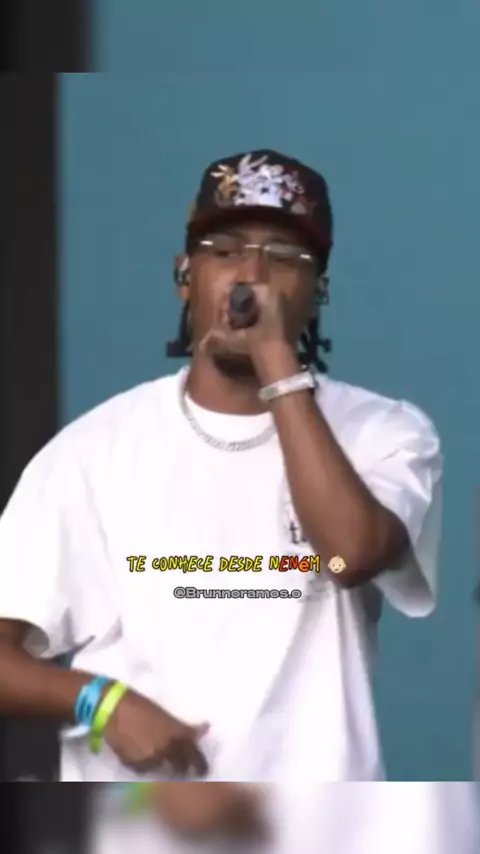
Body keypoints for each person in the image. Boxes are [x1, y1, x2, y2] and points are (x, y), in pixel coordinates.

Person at [0, 149, 442, 793]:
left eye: (284, 257)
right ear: (185, 275)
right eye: (225, 250)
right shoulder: (94, 450)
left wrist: (276, 364)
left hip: (324, 824)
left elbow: (350, 555)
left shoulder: (384, 431)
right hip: (146, 820)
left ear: (318, 288)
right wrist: (100, 701)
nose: (251, 278)